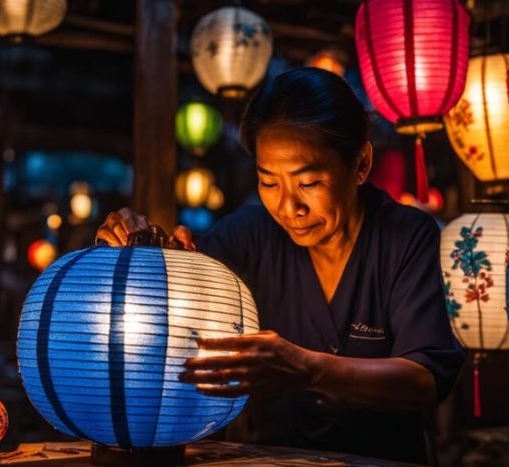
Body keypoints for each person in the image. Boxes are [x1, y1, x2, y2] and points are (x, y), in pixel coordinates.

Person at [96, 68, 463, 463]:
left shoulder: (405, 236)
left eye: (308, 183)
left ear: (360, 164)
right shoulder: (252, 233)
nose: (289, 208)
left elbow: (424, 380)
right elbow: (183, 289)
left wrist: (306, 368)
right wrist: (137, 250)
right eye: (269, 183)